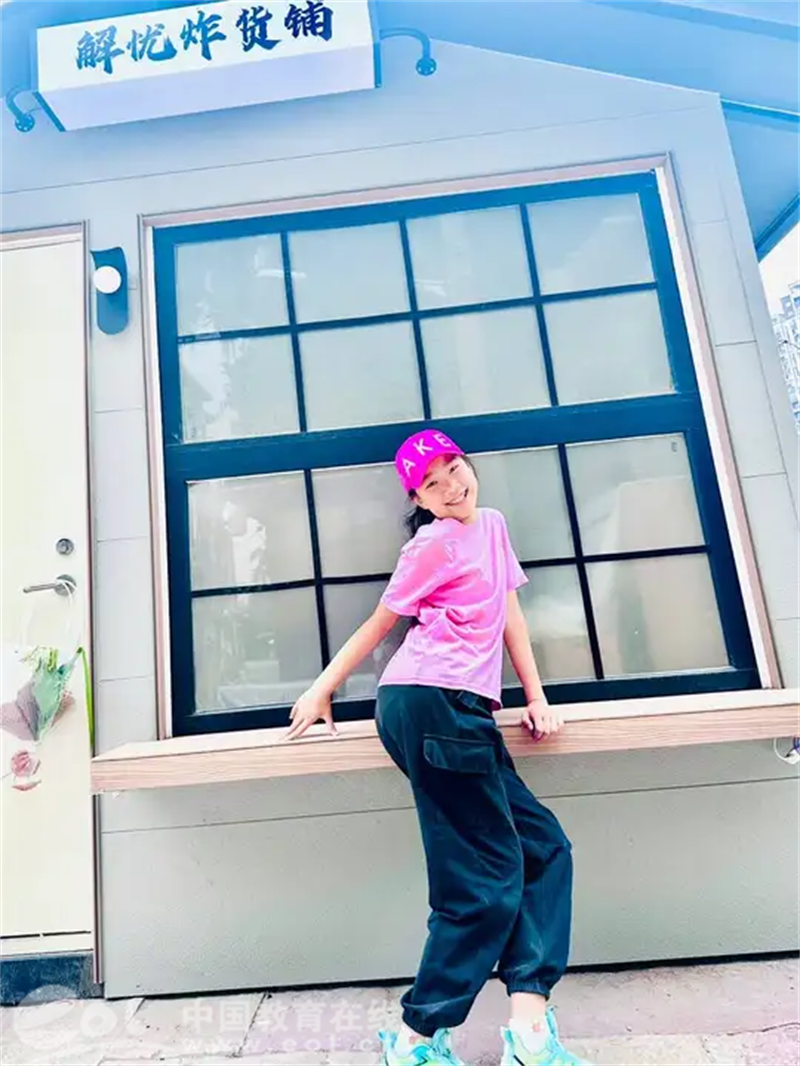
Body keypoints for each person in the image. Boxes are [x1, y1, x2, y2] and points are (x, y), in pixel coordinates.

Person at [286, 428, 589, 1066]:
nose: (451, 487)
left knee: (543, 850)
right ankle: (416, 1039)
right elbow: (382, 622)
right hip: (431, 705)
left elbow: (509, 615)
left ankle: (528, 1028)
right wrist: (320, 690)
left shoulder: (492, 526)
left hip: (463, 711)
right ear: (418, 500)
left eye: (454, 469)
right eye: (432, 483)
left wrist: (536, 696)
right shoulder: (430, 545)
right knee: (482, 880)